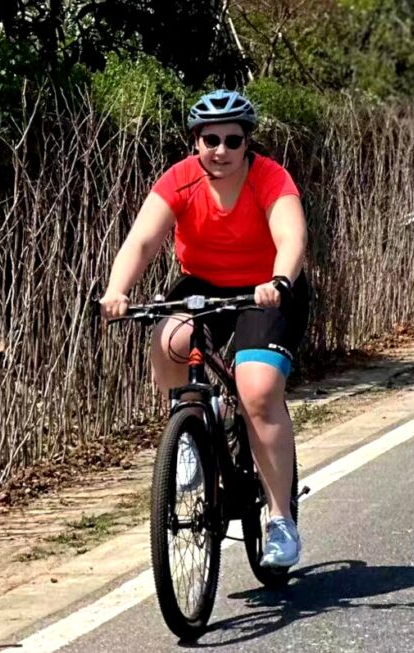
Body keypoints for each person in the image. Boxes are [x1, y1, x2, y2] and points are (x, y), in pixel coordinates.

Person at [99, 89, 309, 568]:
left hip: (267, 288)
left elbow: (291, 235)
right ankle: (191, 430)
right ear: (195, 141)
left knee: (257, 390)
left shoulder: (269, 178)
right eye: (209, 138)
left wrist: (278, 280)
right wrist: (117, 290)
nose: (220, 149)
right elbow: (142, 240)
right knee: (169, 338)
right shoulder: (180, 179)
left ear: (247, 142)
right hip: (202, 285)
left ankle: (281, 520)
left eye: (232, 140)